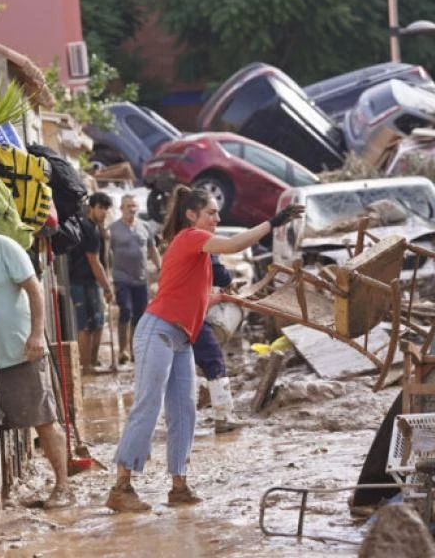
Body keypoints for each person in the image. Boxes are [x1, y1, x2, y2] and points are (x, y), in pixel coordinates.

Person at [105, 186, 304, 513]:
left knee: (185, 410)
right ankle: (121, 486)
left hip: (181, 337)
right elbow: (235, 243)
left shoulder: (197, 251)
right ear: (192, 215)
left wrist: (223, 298)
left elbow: (193, 296)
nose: (217, 217)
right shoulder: (190, 237)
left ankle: (178, 486)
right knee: (148, 404)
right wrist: (274, 222)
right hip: (157, 331)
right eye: (211, 212)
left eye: (215, 213)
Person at [0, 233, 72, 508]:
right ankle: (2, 492)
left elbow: (35, 289)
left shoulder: (1, 246)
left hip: (20, 353)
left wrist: (36, 335)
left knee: (43, 419)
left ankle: (63, 487)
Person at [109, 194, 162, 364]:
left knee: (140, 315)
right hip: (121, 277)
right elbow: (105, 254)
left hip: (140, 278)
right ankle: (123, 350)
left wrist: (161, 268)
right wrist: (106, 278)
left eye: (134, 206)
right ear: (121, 209)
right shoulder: (113, 229)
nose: (131, 209)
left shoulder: (145, 226)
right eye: (128, 206)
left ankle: (135, 349)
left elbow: (152, 250)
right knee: (125, 310)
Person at [193, 255, 242, 434]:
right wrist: (225, 288)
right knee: (213, 357)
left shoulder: (178, 241)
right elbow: (219, 273)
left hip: (178, 313)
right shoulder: (201, 241)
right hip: (191, 314)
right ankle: (224, 416)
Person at [68, 192, 114, 369]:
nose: (103, 213)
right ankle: (85, 365)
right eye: (100, 208)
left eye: (106, 209)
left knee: (97, 324)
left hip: (90, 282)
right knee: (86, 326)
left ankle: (91, 362)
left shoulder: (93, 228)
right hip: (83, 282)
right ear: (91, 208)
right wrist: (107, 287)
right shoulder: (89, 229)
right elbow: (94, 261)